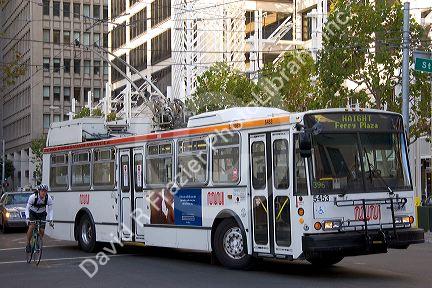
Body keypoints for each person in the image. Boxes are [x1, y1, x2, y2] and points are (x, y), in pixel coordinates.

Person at [25, 184, 54, 253]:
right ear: (39, 191)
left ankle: (37, 241)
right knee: (32, 226)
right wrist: (27, 217)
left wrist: (51, 219)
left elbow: (50, 210)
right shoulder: (33, 197)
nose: (43, 193)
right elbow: (27, 208)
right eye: (42, 191)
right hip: (33, 213)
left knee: (42, 230)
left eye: (45, 191)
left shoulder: (48, 198)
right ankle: (28, 243)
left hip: (42, 213)